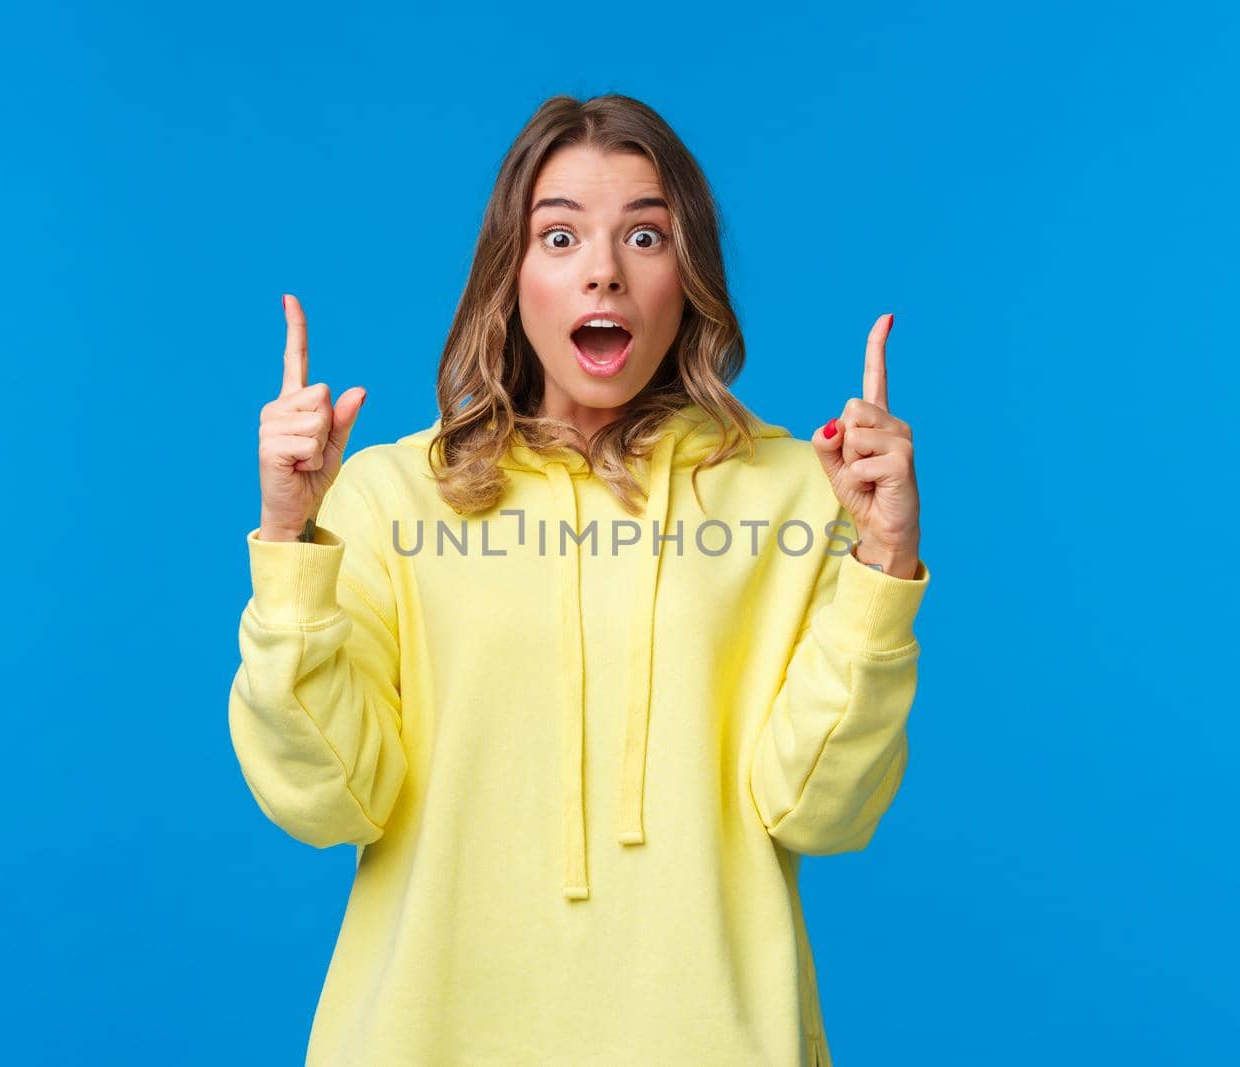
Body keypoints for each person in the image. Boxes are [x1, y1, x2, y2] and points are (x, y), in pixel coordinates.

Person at [229, 93, 931, 1066]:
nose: (603, 268)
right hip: (428, 1035)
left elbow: (823, 807)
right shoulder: (391, 494)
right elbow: (328, 799)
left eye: (645, 234)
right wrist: (290, 537)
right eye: (558, 236)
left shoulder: (795, 490)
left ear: (688, 274)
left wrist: (881, 562)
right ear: (508, 274)